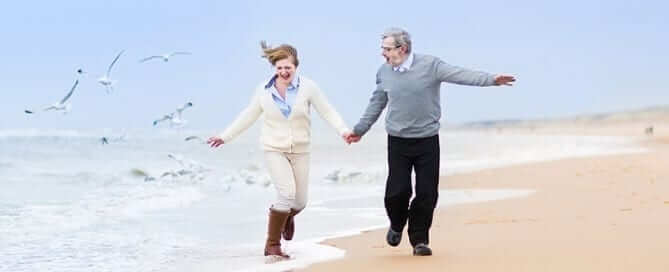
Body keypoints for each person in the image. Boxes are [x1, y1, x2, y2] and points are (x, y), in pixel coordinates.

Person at [346, 27, 516, 256]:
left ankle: (419, 240)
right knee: (397, 192)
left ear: (402, 49)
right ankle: (397, 224)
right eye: (382, 49)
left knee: (427, 193)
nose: (383, 54)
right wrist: (359, 130)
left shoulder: (430, 66)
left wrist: (491, 80)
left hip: (427, 140)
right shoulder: (384, 72)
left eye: (386, 49)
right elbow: (376, 102)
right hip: (398, 141)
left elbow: (460, 74)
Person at [208, 41, 352, 259]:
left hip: (301, 151)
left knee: (300, 201)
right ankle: (272, 245)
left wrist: (343, 131)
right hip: (274, 148)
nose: (284, 72)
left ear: (296, 66)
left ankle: (285, 217)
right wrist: (224, 136)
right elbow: (248, 115)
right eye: (280, 68)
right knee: (286, 194)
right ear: (274, 68)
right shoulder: (263, 90)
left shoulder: (308, 87)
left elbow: (327, 110)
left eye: (288, 68)